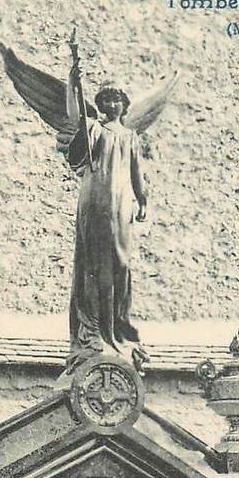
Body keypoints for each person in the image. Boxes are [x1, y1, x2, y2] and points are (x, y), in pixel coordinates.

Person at [66, 60, 148, 365]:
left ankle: (118, 329)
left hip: (121, 206)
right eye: (107, 99)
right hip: (96, 202)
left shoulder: (130, 138)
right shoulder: (94, 129)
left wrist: (143, 201)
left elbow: (137, 174)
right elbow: (76, 125)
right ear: (99, 104)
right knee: (94, 265)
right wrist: (73, 83)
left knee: (120, 266)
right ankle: (96, 331)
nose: (112, 104)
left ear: (124, 105)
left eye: (118, 100)